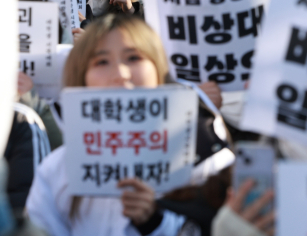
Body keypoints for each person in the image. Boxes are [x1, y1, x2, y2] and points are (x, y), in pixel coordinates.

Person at [26, 15, 189, 236]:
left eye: (133, 58)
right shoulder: (57, 169)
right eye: (102, 62)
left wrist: (154, 223)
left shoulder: (195, 159)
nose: (121, 74)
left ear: (158, 69)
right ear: (82, 77)